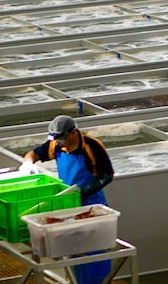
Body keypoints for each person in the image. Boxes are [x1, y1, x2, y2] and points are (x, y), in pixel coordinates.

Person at [21, 115, 114, 284]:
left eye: (62, 139)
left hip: (91, 205)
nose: (59, 143)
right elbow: (33, 154)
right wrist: (28, 164)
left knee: (94, 252)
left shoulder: (91, 146)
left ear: (72, 133)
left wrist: (84, 192)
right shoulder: (56, 145)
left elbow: (107, 175)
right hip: (69, 203)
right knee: (75, 250)